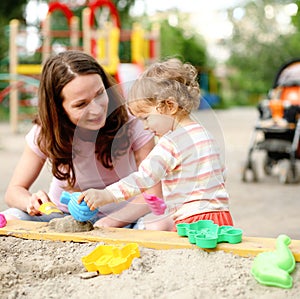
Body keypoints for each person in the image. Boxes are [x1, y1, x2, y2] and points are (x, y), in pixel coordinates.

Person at [3, 50, 162, 228]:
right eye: (81, 104)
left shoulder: (133, 121)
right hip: (63, 215)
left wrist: (108, 223)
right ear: (58, 109)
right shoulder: (45, 133)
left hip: (124, 217)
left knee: (160, 224)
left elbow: (153, 192)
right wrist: (31, 202)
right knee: (10, 217)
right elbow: (13, 192)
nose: (96, 109)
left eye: (100, 93)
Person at [78, 58, 234, 231]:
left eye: (146, 118)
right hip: (221, 218)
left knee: (146, 227)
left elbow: (142, 179)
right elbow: (220, 175)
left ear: (170, 106)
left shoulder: (170, 143)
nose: (145, 126)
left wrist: (106, 195)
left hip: (190, 222)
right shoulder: (206, 136)